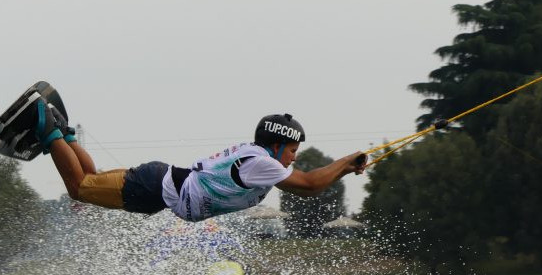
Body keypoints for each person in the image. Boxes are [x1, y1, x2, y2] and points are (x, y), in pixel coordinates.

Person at [31, 98, 366, 222]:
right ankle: (47, 129)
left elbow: (307, 184)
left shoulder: (259, 159)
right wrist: (348, 161)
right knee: (79, 188)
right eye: (293, 150)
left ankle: (65, 133)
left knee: (90, 178)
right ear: (277, 145)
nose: (294, 157)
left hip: (156, 188)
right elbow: (309, 186)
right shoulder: (263, 163)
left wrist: (344, 169)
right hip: (153, 187)